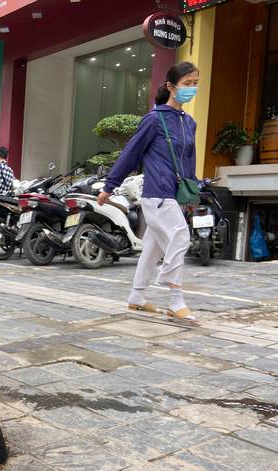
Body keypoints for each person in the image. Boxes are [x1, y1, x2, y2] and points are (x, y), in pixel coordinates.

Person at [97, 62, 200, 322]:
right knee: (180, 238)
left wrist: (193, 194)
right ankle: (176, 299)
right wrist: (109, 186)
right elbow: (131, 154)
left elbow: (188, 161)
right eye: (187, 83)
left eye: (195, 83)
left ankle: (137, 296)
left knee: (152, 249)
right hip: (157, 192)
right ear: (171, 86)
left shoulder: (189, 123)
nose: (192, 88)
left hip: (177, 194)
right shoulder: (155, 120)